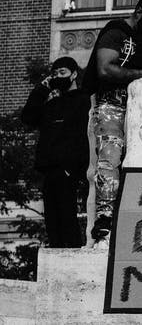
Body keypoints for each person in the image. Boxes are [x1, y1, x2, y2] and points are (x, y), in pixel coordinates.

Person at [82, 0, 142, 244]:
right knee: (109, 158)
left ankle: (137, 215)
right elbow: (104, 68)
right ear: (139, 11)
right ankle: (104, 221)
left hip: (140, 111)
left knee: (140, 161)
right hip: (111, 104)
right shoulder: (117, 32)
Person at [20, 57, 89, 247]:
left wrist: (75, 167)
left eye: (63, 73)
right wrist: (41, 89)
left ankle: (72, 257)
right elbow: (28, 118)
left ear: (74, 74)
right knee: (53, 220)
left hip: (69, 169)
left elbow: (83, 137)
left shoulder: (83, 100)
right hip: (49, 168)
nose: (58, 77)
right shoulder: (52, 102)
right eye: (55, 73)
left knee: (68, 217)